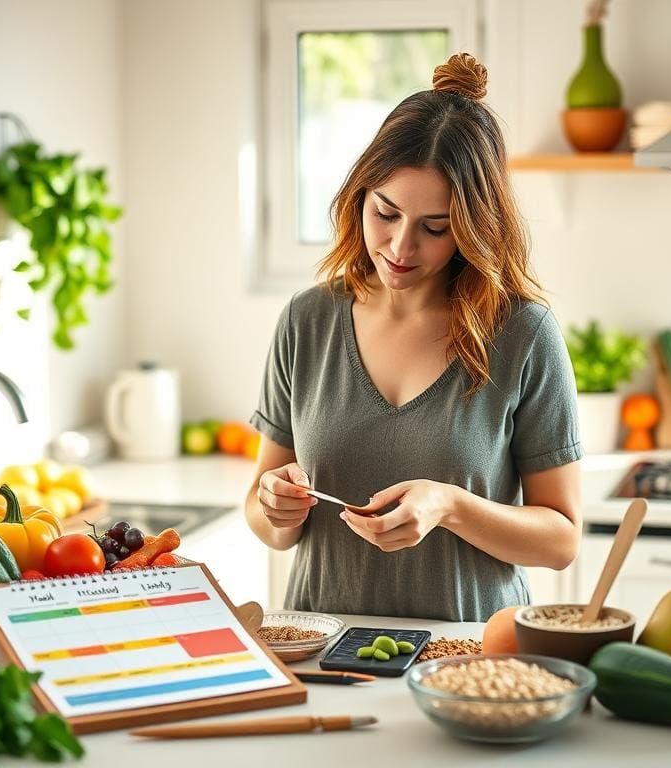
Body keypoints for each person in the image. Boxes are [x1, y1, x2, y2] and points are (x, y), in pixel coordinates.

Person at [244, 52, 582, 622]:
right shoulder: (306, 321)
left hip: (471, 658)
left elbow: (561, 540)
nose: (401, 248)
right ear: (359, 198)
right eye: (386, 213)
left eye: (435, 228)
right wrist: (274, 509)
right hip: (321, 649)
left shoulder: (524, 333)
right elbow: (263, 514)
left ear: (474, 229)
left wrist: (450, 506)